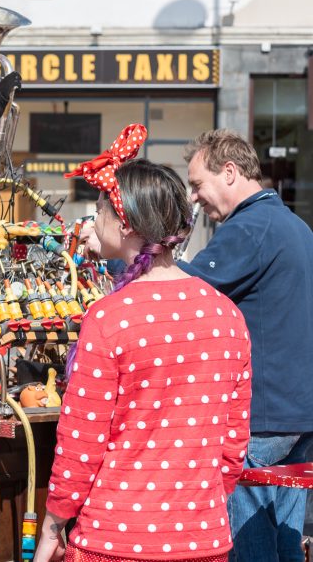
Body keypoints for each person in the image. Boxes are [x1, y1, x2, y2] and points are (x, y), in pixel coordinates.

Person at [35, 126, 252, 562]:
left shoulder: (110, 318)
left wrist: (53, 525)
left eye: (99, 212)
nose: (93, 222)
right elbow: (232, 449)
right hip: (203, 539)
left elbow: (81, 444)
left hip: (115, 540)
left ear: (126, 222)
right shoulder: (228, 315)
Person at [180, 129, 313, 562]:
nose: (195, 198)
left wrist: (126, 256)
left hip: (262, 415)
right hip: (300, 413)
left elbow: (184, 291)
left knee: (251, 548)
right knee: (287, 544)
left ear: (230, 172)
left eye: (198, 184)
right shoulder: (294, 225)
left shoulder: (250, 227)